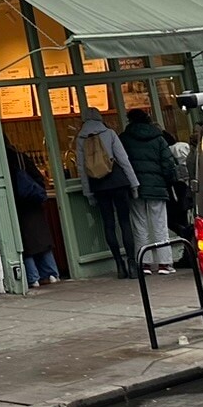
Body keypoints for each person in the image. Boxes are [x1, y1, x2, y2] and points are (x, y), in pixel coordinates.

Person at [74, 105, 139, 278]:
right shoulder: (109, 133)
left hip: (98, 185)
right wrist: (134, 184)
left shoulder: (80, 138)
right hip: (117, 181)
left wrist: (88, 193)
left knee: (108, 224)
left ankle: (119, 265)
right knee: (125, 222)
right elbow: (123, 159)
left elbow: (81, 168)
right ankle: (132, 264)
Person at [119, 106, 181, 272]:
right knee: (160, 225)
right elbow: (168, 164)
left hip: (135, 187)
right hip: (157, 187)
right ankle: (164, 263)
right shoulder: (158, 138)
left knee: (140, 226)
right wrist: (170, 181)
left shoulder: (124, 138)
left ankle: (144, 262)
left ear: (130, 120)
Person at [6, 143, 59, 288]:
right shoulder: (21, 157)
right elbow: (39, 179)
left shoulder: (1, 162)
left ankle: (33, 278)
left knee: (25, 244)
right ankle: (51, 274)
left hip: (17, 206)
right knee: (42, 240)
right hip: (33, 203)